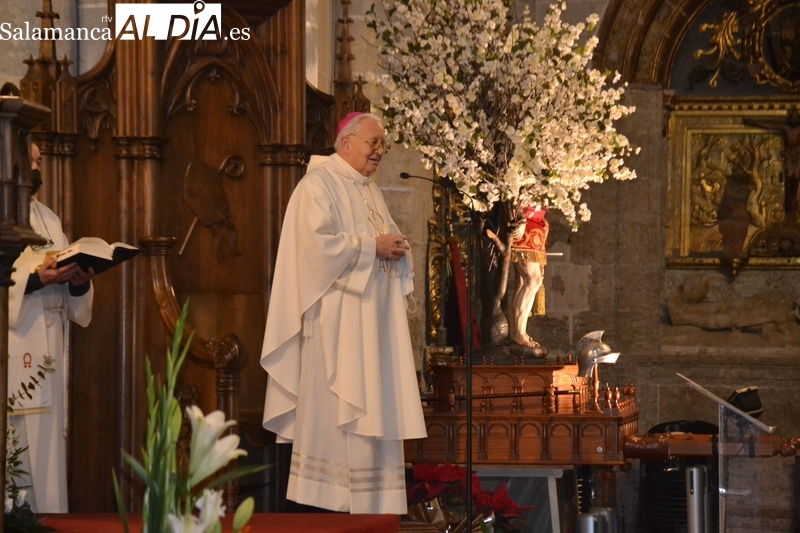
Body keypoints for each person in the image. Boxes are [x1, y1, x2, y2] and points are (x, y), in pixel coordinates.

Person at [260, 112, 426, 514]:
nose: (380, 151)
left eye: (383, 144)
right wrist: (373, 248)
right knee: (337, 423)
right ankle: (327, 506)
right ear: (346, 141)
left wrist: (397, 251)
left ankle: (373, 507)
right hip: (338, 334)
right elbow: (315, 250)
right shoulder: (316, 185)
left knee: (373, 417)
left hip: (373, 329)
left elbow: (381, 243)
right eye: (374, 142)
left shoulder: (370, 191)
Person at [8, 142, 94, 512]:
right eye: (31, 156)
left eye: (40, 158)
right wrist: (34, 281)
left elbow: (75, 306)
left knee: (46, 465)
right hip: (11, 355)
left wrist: (79, 281)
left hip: (49, 361)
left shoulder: (48, 218)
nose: (38, 161)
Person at [509, 206, 548, 347]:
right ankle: (519, 332)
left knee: (526, 282)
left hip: (536, 227)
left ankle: (521, 331)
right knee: (533, 279)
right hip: (524, 228)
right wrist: (522, 220)